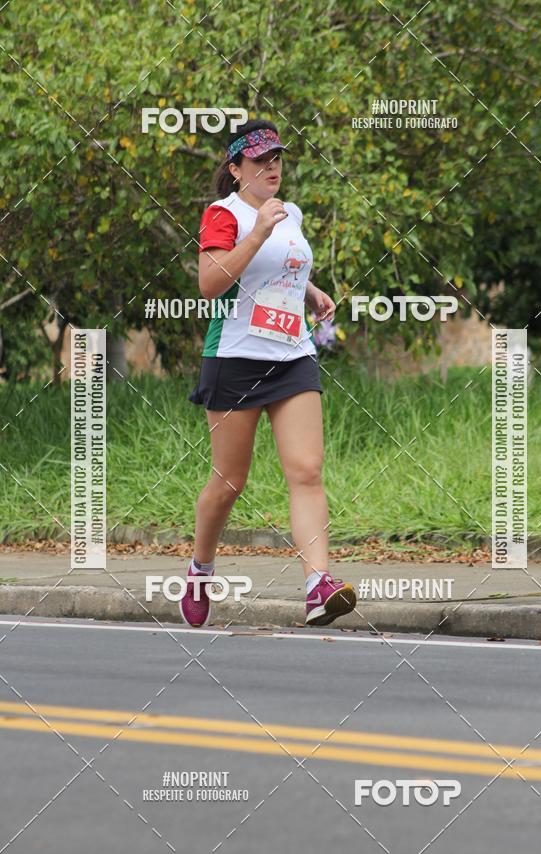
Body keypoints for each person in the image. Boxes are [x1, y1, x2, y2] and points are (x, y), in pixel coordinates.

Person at [181, 118, 357, 629]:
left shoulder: (292, 213)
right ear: (236, 169)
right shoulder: (224, 214)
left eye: (276, 157)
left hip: (292, 355)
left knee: (306, 469)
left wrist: (309, 290)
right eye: (259, 160)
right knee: (229, 482)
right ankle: (200, 569)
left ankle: (317, 584)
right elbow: (211, 283)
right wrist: (258, 230)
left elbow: (284, 268)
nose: (272, 167)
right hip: (234, 358)